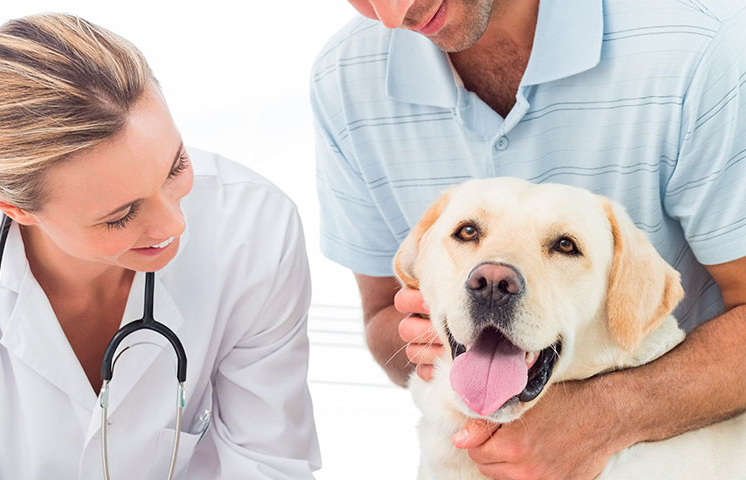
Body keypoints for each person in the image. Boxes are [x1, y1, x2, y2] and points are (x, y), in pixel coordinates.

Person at [311, 0, 746, 478]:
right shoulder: (343, 78)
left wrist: (607, 415)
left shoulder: (705, 46)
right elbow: (382, 313)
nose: (395, 16)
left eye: (564, 245)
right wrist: (442, 335)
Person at [0, 13, 320, 479]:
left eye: (175, 166)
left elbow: (266, 461)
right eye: (120, 215)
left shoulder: (253, 228)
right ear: (14, 208)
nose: (173, 222)